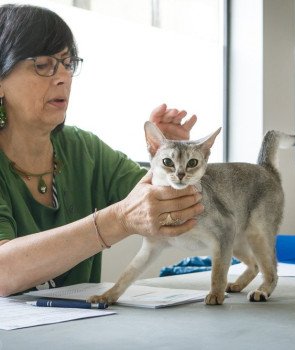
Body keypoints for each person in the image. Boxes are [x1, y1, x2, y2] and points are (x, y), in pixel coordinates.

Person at [0, 4, 203, 296]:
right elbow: (3, 273)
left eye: (68, 63)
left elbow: (178, 212)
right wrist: (116, 220)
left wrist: (168, 163)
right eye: (43, 65)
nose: (63, 77)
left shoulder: (85, 150)